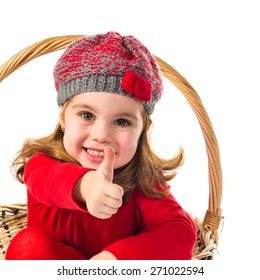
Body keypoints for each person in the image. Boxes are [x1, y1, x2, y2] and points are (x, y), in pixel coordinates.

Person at [5, 31, 197, 260]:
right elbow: (50, 181)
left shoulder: (142, 179)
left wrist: (114, 259)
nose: (102, 135)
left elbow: (181, 230)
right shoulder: (41, 164)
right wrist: (85, 187)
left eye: (122, 122)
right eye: (87, 115)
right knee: (28, 245)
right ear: (64, 119)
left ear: (141, 131)